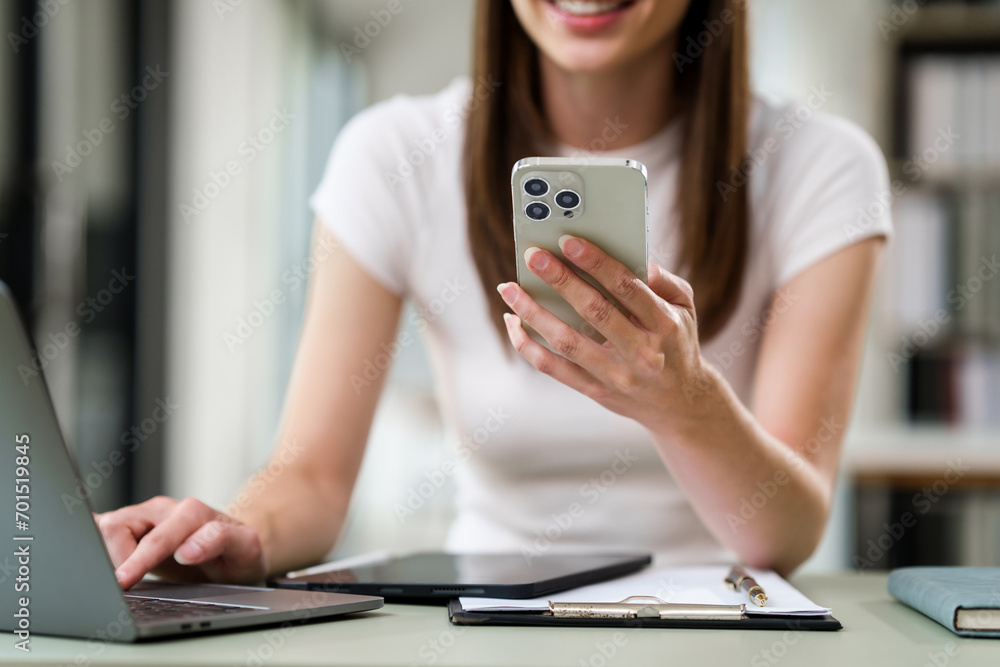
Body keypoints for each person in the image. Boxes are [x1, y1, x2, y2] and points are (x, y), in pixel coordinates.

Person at [97, 0, 891, 588]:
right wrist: (241, 533)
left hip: (717, 621)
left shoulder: (820, 167)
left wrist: (685, 405)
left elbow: (784, 532)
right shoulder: (393, 154)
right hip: (490, 620)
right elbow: (310, 476)